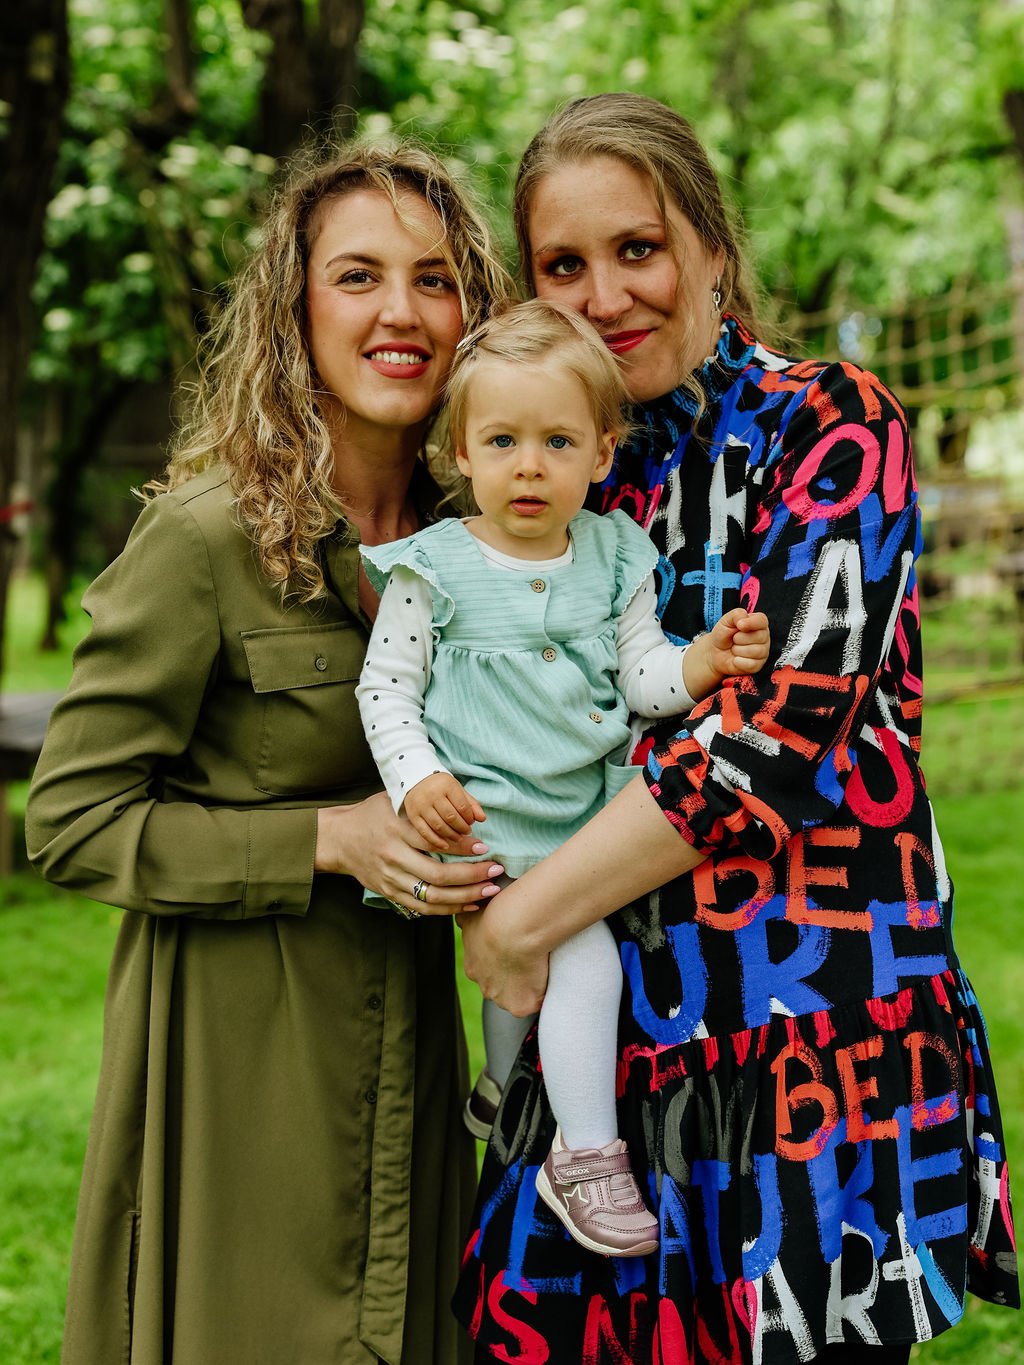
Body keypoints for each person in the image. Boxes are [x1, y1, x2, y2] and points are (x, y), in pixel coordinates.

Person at [451, 94, 1020, 1365]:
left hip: (806, 1043)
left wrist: (524, 918)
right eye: (563, 265)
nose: (605, 297)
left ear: (712, 248)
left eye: (638, 248)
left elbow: (766, 743)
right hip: (605, 1061)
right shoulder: (555, 471)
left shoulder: (830, 425)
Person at [25, 137, 513, 1365]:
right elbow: (71, 820)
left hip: (414, 1044)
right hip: (235, 1070)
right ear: (293, 309)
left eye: (436, 278)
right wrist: (327, 839)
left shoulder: (480, 549)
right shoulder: (204, 541)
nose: (401, 312)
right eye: (357, 276)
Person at [355, 298, 771, 1260]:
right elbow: (387, 690)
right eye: (502, 441)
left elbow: (642, 678)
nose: (530, 466)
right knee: (578, 962)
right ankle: (584, 1155)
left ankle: (505, 1091)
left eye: (557, 441)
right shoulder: (433, 568)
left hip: (583, 824)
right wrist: (417, 781)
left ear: (601, 450)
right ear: (462, 452)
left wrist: (701, 662)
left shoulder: (615, 554)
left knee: (537, 971)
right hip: (482, 824)